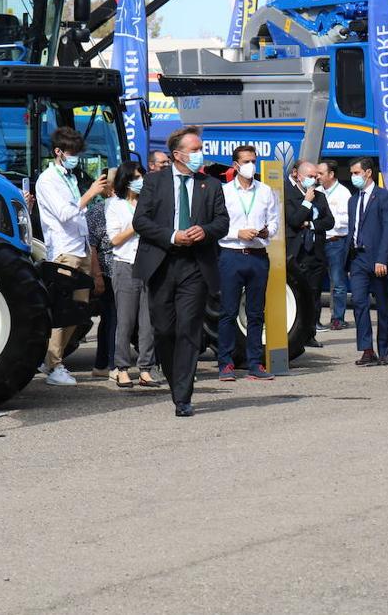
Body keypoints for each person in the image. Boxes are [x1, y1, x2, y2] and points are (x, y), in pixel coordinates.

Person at [132, 126, 229, 417]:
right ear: (178, 154)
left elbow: (222, 222)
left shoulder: (210, 185)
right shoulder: (154, 182)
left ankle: (183, 397)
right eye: (195, 149)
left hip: (196, 266)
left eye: (201, 148)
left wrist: (206, 230)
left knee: (189, 329)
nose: (201, 154)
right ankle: (177, 383)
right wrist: (173, 236)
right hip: (162, 262)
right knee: (164, 329)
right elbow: (141, 222)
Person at [36, 126, 108, 387]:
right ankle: (54, 364)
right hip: (64, 251)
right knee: (63, 310)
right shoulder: (47, 180)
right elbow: (65, 214)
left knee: (77, 312)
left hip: (81, 248)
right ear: (58, 152)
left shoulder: (70, 178)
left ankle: (50, 359)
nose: (75, 157)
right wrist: (91, 194)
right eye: (71, 152)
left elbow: (79, 216)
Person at [216, 145, 280, 381]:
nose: (250, 165)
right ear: (235, 165)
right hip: (231, 254)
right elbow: (218, 225)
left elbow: (274, 222)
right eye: (246, 161)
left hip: (257, 257)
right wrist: (237, 233)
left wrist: (266, 232)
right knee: (228, 312)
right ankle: (226, 363)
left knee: (255, 313)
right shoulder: (223, 192)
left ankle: (255, 363)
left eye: (253, 160)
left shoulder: (265, 191)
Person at [105, 162, 159, 388]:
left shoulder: (150, 203)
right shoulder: (114, 205)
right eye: (136, 177)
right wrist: (137, 225)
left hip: (148, 264)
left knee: (148, 321)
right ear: (125, 181)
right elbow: (114, 239)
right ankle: (122, 368)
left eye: (142, 177)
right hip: (125, 264)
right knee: (126, 321)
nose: (141, 181)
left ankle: (146, 369)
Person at [348, 157, 388, 366]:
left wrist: (382, 259)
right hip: (358, 259)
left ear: (368, 173)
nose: (353, 177)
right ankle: (367, 349)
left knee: (384, 307)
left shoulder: (385, 197)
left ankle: (384, 350)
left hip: (378, 260)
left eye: (356, 173)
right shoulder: (353, 200)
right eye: (351, 173)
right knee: (359, 303)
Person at [286, 160, 335, 346]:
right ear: (298, 175)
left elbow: (329, 221)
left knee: (314, 294)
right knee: (297, 294)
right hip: (297, 253)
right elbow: (294, 220)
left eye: (316, 177)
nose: (314, 180)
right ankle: (295, 333)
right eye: (310, 176)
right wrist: (306, 202)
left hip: (316, 252)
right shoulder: (290, 194)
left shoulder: (320, 196)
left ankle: (311, 333)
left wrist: (311, 224)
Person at [87, 168, 116, 380]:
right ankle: (107, 363)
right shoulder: (97, 211)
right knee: (111, 318)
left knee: (115, 319)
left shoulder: (127, 207)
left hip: (127, 272)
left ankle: (105, 363)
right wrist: (97, 276)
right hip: (108, 272)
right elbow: (92, 247)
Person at [318, 159, 352, 330]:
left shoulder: (343, 193)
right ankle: (314, 320)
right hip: (318, 242)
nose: (317, 177)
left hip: (335, 242)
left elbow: (346, 220)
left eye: (321, 174)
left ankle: (337, 318)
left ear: (331, 174)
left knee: (337, 281)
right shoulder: (316, 191)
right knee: (315, 281)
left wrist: (329, 223)